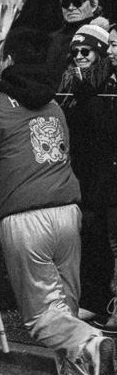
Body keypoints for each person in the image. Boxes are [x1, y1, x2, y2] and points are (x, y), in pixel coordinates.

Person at [0, 29, 117, 375]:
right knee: (63, 305)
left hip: (22, 217)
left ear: (10, 63)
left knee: (41, 317)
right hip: (67, 210)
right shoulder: (53, 107)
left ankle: (90, 341)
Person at [58, 21, 117, 328]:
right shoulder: (69, 83)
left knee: (106, 241)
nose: (80, 56)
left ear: (99, 53)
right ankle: (91, 299)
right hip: (80, 171)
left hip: (103, 172)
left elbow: (105, 132)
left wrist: (88, 99)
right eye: (75, 52)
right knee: (88, 238)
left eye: (87, 51)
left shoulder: (105, 84)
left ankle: (103, 301)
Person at [46, 0, 103, 82]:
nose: (71, 8)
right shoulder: (52, 39)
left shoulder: (105, 36)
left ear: (93, 4)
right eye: (65, 3)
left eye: (78, 2)